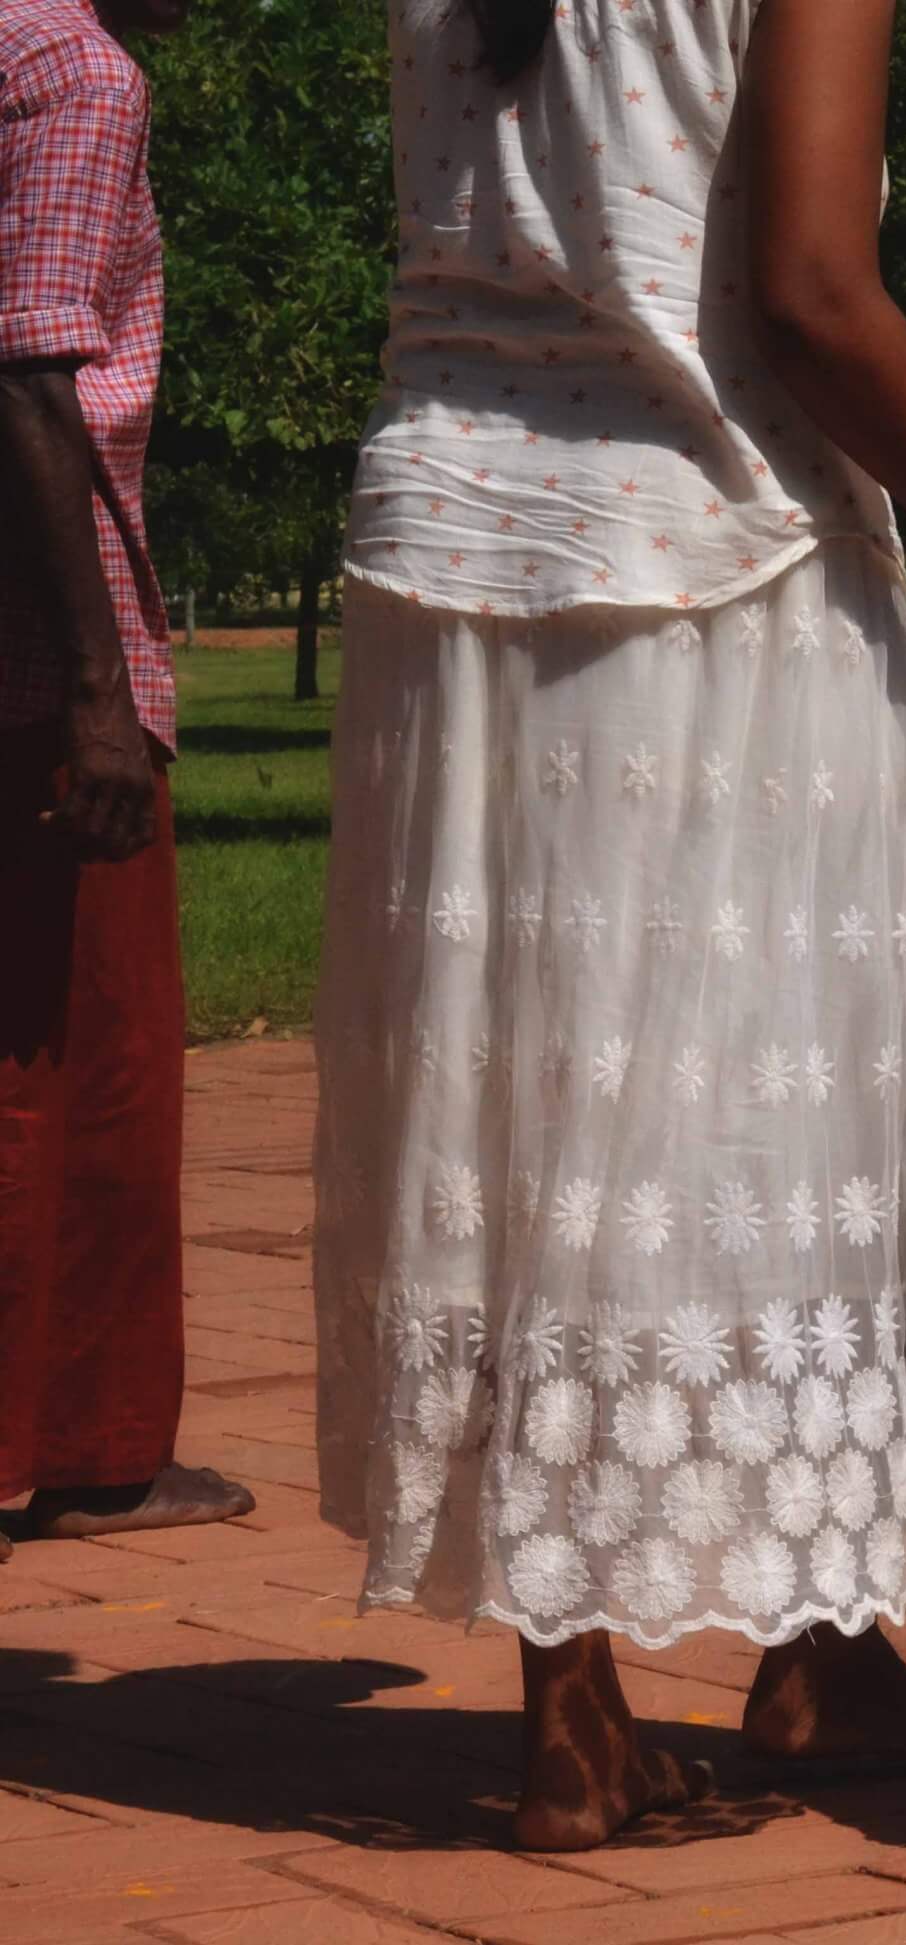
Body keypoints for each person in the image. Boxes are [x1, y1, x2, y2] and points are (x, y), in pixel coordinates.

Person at [311, 0, 906, 1849]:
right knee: (775, 1111)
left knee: (527, 1119)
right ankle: (777, 1667)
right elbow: (812, 295)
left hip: (445, 563)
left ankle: (605, 1698)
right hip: (711, 568)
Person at [0, 0, 258, 1564]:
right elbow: (29, 373)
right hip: (48, 655)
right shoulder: (75, 69)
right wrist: (100, 691)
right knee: (83, 1060)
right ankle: (84, 1445)